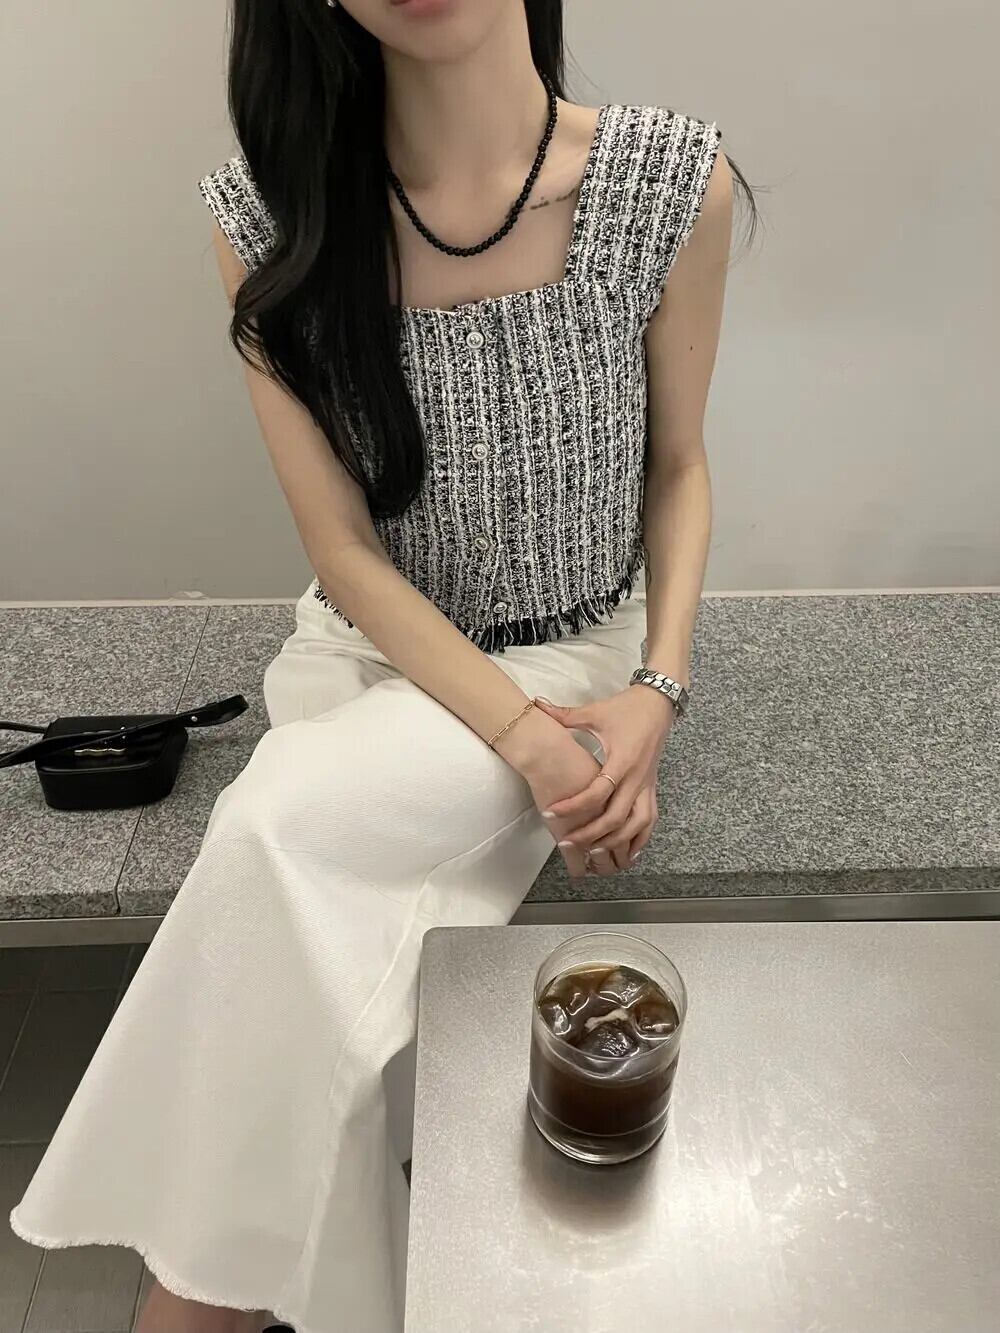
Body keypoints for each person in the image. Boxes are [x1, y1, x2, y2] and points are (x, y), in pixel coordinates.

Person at [10, 1, 756, 1329]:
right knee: (320, 981)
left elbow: (681, 469)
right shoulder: (271, 216)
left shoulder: (666, 180)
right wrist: (522, 741)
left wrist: (659, 686)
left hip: (574, 652)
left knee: (270, 834)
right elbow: (344, 554)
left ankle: (197, 1304)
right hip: (364, 653)